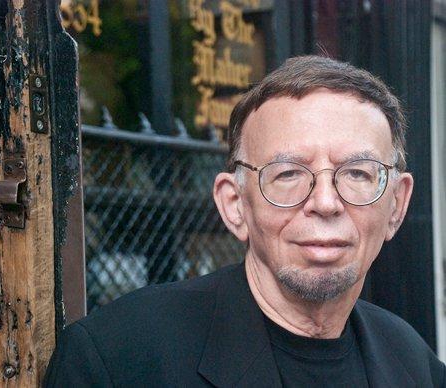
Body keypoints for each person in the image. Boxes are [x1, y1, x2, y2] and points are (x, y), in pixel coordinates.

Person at [44, 55, 445, 387]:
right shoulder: (117, 360)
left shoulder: (415, 365)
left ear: (396, 204)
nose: (326, 202)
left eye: (358, 173)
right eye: (287, 174)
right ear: (234, 205)